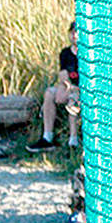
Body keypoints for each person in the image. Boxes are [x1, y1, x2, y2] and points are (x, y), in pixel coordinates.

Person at [27, 22, 80, 152]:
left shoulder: (87, 54)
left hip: (82, 90)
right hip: (70, 87)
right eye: (72, 32)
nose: (74, 35)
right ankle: (47, 137)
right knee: (50, 93)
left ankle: (73, 141)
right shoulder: (65, 53)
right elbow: (63, 75)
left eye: (77, 32)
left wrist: (73, 90)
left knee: (73, 98)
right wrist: (66, 87)